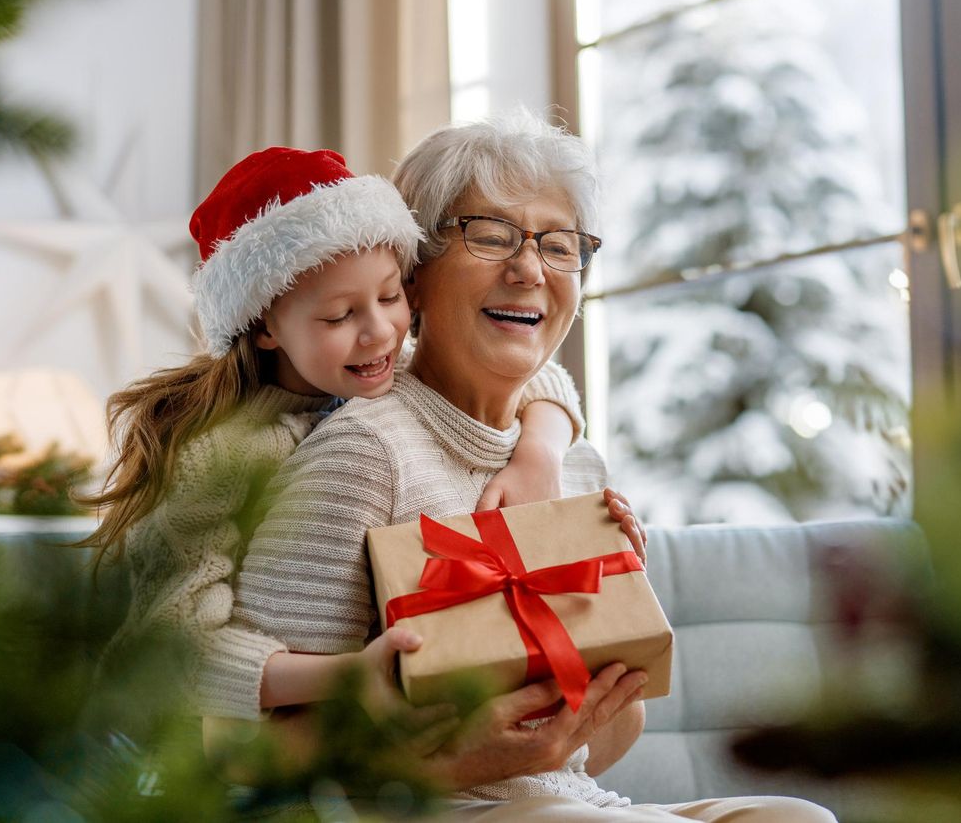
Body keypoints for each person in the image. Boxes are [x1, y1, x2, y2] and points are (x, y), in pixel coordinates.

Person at [213, 114, 837, 822]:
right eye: (490, 234)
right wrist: (453, 760)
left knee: (797, 817)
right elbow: (237, 750)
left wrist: (606, 644)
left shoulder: (571, 460)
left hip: (568, 802)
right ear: (412, 275)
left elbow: (593, 749)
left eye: (560, 244)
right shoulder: (363, 451)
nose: (530, 268)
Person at [79, 146, 603, 722]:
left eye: (389, 296)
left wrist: (540, 451)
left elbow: (540, 373)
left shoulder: (378, 371)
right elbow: (174, 649)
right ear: (264, 329)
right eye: (339, 316)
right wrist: (351, 674)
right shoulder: (218, 455)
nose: (379, 333)